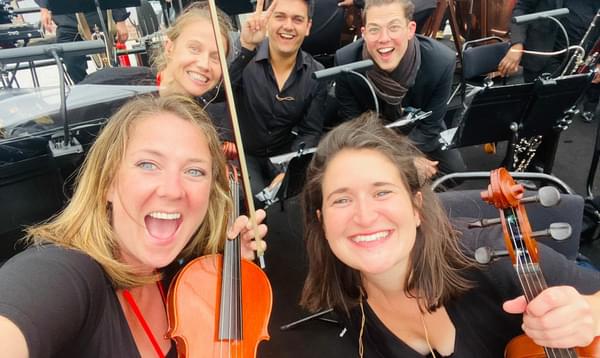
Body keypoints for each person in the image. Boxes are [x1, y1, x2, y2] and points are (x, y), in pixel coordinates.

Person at [300, 112, 600, 357]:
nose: (364, 217)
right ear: (322, 220)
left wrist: (587, 312)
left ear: (416, 206)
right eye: (341, 199)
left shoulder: (494, 258)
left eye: (382, 192)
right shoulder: (344, 290)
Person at [0, 95, 267, 357]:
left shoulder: (175, 273)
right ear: (107, 182)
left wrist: (229, 271)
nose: (173, 190)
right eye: (148, 164)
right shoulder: (64, 273)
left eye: (194, 171)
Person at [334, 0, 466, 177]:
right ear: (363, 33)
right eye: (374, 29)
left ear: (410, 29)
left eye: (394, 27)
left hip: (416, 134)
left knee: (453, 170)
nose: (383, 38)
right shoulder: (346, 61)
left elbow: (430, 126)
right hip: (370, 136)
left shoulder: (441, 61)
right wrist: (402, 160)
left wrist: (409, 154)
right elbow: (353, 125)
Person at [229, 0, 328, 198]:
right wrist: (247, 46)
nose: (288, 26)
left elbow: (309, 132)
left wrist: (288, 169)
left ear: (307, 27)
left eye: (297, 19)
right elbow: (218, 94)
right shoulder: (244, 55)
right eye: (280, 17)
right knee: (253, 199)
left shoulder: (317, 73)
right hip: (244, 153)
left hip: (285, 154)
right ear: (268, 21)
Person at [498, 0, 599, 121]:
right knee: (536, 113)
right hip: (542, 54)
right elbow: (522, 8)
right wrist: (517, 43)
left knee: (561, 116)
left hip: (579, 58)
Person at [35, 0, 129, 83]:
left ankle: (113, 93)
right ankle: (87, 91)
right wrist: (44, 7)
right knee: (72, 64)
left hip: (96, 14)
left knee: (110, 65)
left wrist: (120, 20)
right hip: (66, 20)